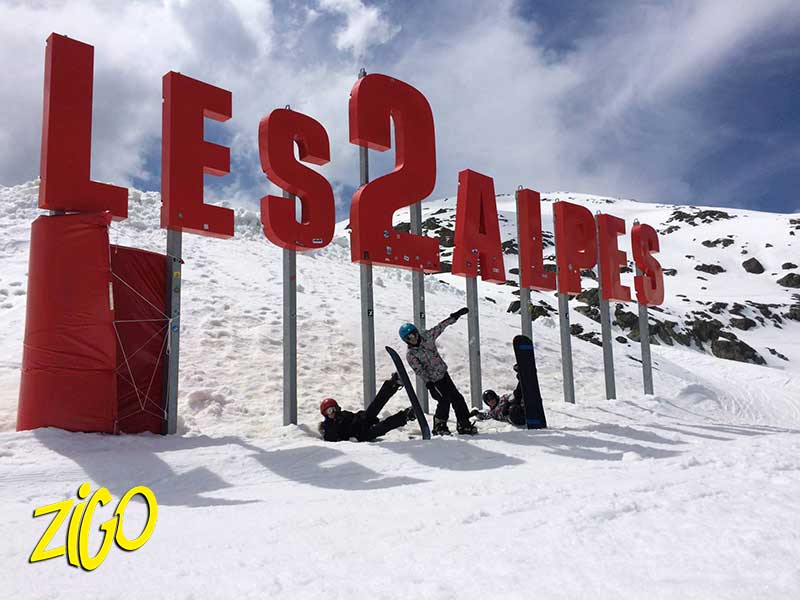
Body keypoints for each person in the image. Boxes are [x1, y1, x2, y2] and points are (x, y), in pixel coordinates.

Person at [399, 308, 477, 436]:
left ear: (417, 332)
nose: (413, 339)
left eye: (414, 334)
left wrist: (454, 316)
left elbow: (440, 327)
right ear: (406, 340)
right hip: (434, 381)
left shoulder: (427, 337)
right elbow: (419, 370)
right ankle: (439, 425)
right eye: (409, 338)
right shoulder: (411, 354)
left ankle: (463, 423)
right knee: (444, 400)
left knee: (457, 398)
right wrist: (429, 385)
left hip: (443, 374)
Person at [319, 372, 415, 442]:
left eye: (335, 409)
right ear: (325, 413)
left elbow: (354, 417)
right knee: (383, 426)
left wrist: (363, 417)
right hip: (361, 435)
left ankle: (393, 384)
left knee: (375, 405)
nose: (333, 412)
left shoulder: (343, 414)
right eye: (330, 410)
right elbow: (332, 437)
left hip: (362, 422)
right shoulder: (327, 426)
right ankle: (406, 415)